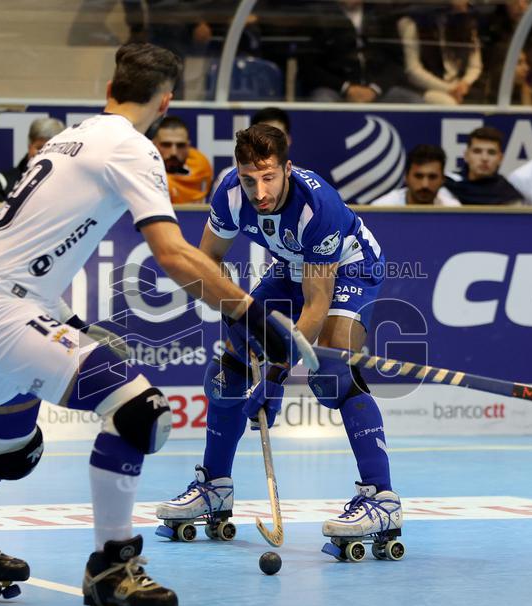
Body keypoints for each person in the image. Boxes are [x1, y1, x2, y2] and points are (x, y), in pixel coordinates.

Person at [0, 43, 313, 606]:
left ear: (111, 86)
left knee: (12, 445)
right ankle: (113, 566)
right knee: (140, 412)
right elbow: (174, 254)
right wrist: (253, 316)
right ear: (167, 99)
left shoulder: (68, 136)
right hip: (3, 307)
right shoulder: (132, 148)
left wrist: (67, 322)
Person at [157, 123, 405, 560]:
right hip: (290, 268)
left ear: (287, 169)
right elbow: (207, 264)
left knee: (332, 370)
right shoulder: (231, 194)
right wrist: (237, 318)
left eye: (269, 177)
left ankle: (381, 500)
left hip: (348, 268)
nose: (260, 190)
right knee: (227, 369)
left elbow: (315, 304)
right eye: (250, 179)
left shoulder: (316, 206)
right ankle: (214, 487)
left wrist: (273, 376)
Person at [297, 0, 423, 103]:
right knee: (322, 103)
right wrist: (346, 88)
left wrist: (375, 89)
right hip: (334, 89)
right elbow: (308, 67)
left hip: (378, 90)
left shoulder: (381, 14)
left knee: (415, 102)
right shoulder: (317, 16)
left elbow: (396, 62)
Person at [397, 0, 483, 105]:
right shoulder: (410, 23)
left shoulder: (466, 22)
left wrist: (465, 83)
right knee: (447, 103)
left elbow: (475, 66)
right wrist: (449, 89)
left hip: (459, 87)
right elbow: (413, 71)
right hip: (424, 88)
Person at [0, 117, 65, 202]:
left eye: (50, 148)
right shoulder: (4, 182)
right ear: (29, 146)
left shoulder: (68, 183)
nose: (43, 154)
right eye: (40, 148)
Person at [213, 106, 292, 192]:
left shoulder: (304, 184)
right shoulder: (227, 179)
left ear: (288, 140)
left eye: (277, 137)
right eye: (263, 136)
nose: (269, 143)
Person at [443, 126, 523, 205]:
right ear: (466, 156)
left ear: (500, 158)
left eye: (491, 152)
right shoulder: (446, 184)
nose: (484, 158)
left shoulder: (510, 197)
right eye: (477, 151)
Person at [371, 144, 461, 206]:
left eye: (432, 177)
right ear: (406, 177)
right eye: (418, 176)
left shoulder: (454, 210)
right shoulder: (383, 209)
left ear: (443, 179)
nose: (425, 185)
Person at [152, 115, 214, 204]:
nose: (174, 152)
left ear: (188, 146)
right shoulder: (143, 174)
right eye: (166, 145)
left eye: (180, 145)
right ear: (153, 145)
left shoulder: (202, 166)